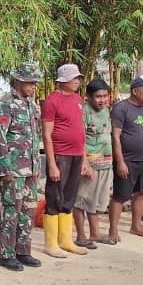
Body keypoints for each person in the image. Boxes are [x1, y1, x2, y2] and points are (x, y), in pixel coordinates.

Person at [0, 62, 44, 270]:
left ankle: (23, 251)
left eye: (34, 83)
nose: (33, 86)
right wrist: (5, 169)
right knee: (11, 211)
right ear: (18, 81)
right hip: (14, 169)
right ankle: (7, 254)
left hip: (30, 169)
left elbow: (35, 137)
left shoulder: (31, 105)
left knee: (28, 211)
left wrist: (37, 166)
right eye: (29, 82)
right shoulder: (5, 103)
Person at [40, 63, 91, 256]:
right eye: (73, 78)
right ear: (63, 80)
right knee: (55, 196)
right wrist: (52, 164)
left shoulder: (78, 99)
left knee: (69, 197)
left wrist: (84, 159)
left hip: (76, 154)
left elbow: (81, 130)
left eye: (78, 78)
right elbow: (47, 134)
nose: (77, 81)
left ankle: (65, 239)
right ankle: (50, 243)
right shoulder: (52, 101)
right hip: (60, 154)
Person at [108, 76, 143, 243]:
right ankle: (113, 229)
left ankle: (136, 226)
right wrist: (120, 161)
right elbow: (116, 137)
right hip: (128, 160)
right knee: (120, 196)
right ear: (135, 90)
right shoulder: (121, 109)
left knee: (141, 193)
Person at [73, 79, 113, 247]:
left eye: (105, 96)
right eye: (98, 96)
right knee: (82, 199)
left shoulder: (106, 111)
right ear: (88, 97)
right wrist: (85, 163)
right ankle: (81, 236)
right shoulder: (83, 113)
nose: (102, 100)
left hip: (106, 162)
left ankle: (95, 233)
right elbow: (80, 139)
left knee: (96, 201)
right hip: (90, 164)